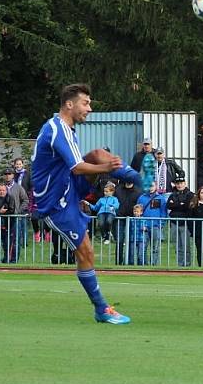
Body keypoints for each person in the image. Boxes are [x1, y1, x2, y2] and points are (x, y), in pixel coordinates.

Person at [31, 83, 137, 323]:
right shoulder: (57, 130)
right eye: (85, 103)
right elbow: (77, 167)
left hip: (69, 189)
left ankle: (138, 179)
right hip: (55, 203)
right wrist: (106, 168)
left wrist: (105, 165)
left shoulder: (66, 129)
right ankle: (102, 309)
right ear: (70, 104)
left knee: (99, 153)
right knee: (87, 252)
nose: (89, 108)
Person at [137, 180, 169, 266]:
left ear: (156, 186)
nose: (151, 187)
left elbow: (163, 213)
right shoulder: (141, 198)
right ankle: (143, 265)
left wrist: (160, 225)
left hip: (155, 226)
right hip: (143, 226)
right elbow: (137, 212)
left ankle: (154, 266)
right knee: (142, 248)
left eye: (152, 185)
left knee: (155, 248)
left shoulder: (161, 198)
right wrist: (140, 224)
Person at [167, 176, 194, 266]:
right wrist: (180, 205)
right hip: (174, 222)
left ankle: (187, 264)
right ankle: (180, 264)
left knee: (186, 246)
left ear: (185, 184)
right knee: (178, 246)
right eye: (178, 184)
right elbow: (168, 205)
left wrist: (175, 204)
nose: (179, 185)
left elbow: (187, 206)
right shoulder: (173, 194)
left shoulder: (190, 194)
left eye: (181, 183)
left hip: (185, 223)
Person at [114, 180, 140, 265]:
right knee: (119, 240)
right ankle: (118, 262)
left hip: (132, 219)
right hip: (119, 218)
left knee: (130, 241)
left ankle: (129, 262)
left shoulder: (138, 191)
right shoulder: (118, 189)